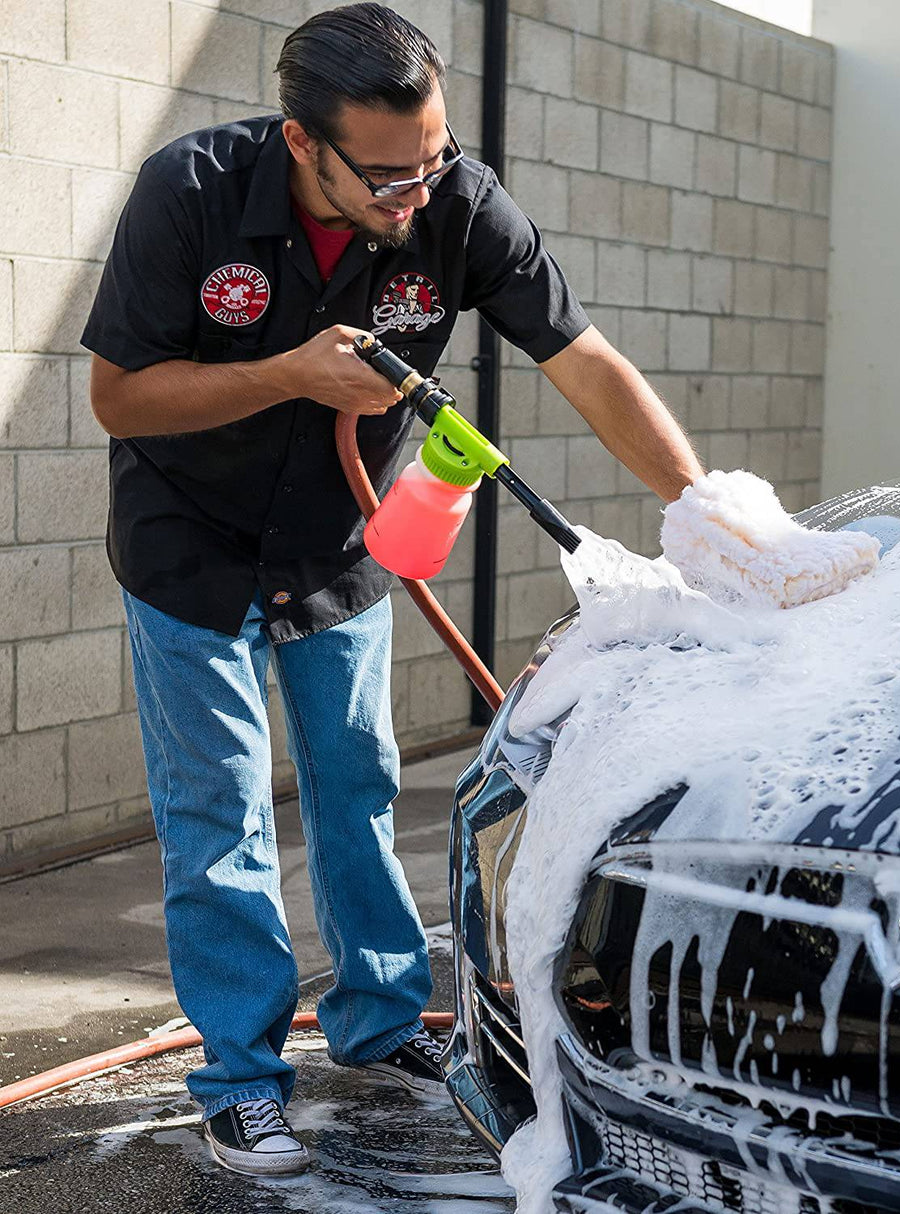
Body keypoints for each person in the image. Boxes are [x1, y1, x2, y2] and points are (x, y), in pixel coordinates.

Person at [82, 2, 703, 1179]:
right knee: (220, 810)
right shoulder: (191, 192)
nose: (412, 198)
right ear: (300, 141)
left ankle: (377, 1020)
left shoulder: (455, 199)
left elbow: (583, 356)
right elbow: (121, 396)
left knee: (360, 782)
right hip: (189, 545)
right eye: (383, 178)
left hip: (344, 542)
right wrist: (282, 376)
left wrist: (703, 507)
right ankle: (240, 1078)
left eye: (430, 164)